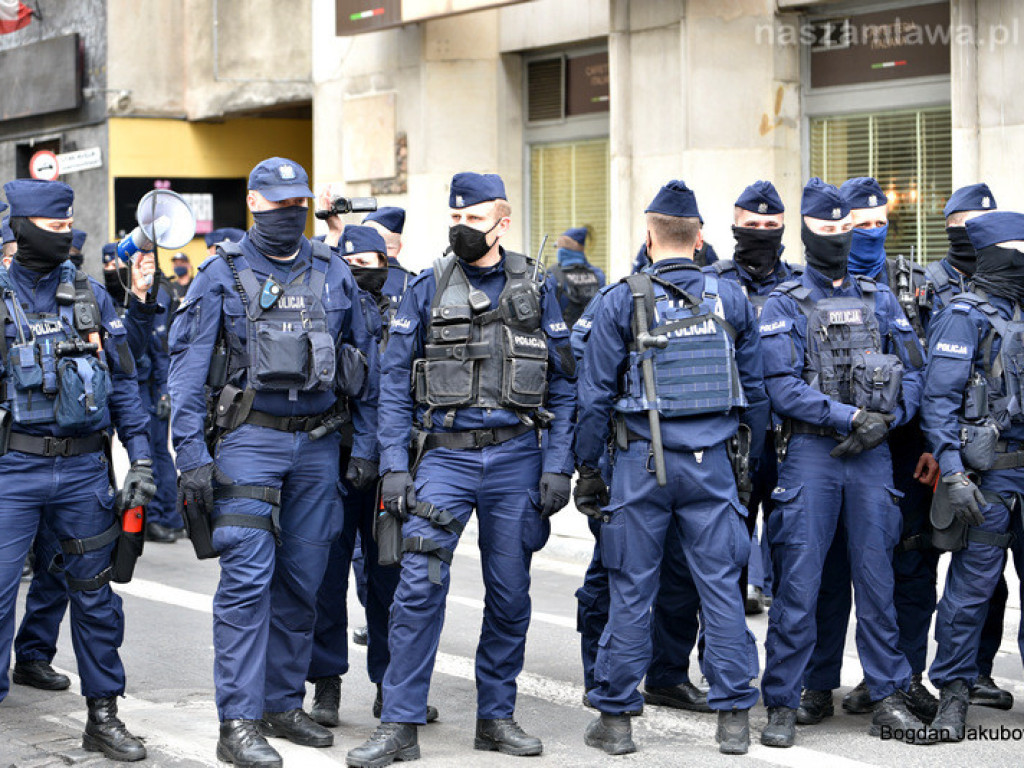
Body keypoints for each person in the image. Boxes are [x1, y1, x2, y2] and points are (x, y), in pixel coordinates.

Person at [347, 172, 576, 766]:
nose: (462, 229)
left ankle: (495, 718)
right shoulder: (425, 286)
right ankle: (399, 723)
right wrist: (395, 465)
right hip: (443, 456)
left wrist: (558, 466)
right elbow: (394, 383)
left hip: (516, 457)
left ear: (502, 222)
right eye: (455, 219)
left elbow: (567, 384)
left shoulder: (537, 284)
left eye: (474, 220)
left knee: (510, 595)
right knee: (418, 589)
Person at [168, 157, 379, 768]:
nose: (289, 214)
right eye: (277, 204)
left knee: (303, 581)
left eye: (298, 205)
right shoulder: (219, 274)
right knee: (245, 581)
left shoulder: (334, 272)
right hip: (248, 441)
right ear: (253, 202)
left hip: (318, 445)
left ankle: (283, 704)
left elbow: (362, 368)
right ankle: (237, 721)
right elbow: (185, 376)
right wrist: (190, 458)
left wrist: (364, 449)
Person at [575, 180, 767, 756]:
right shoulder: (730, 299)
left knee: (633, 590)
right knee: (721, 592)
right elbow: (754, 394)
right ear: (701, 238)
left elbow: (593, 398)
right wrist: (746, 466)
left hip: (641, 463)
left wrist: (588, 468)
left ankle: (616, 722)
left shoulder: (619, 300)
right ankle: (733, 717)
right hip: (714, 465)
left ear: (650, 236)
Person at [758, 177, 932, 747]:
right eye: (826, 231)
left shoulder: (879, 299)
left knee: (877, 581)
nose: (836, 239)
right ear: (806, 233)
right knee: (801, 583)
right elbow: (780, 386)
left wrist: (889, 418)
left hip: (873, 457)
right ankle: (784, 701)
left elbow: (918, 375)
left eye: (844, 230)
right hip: (813, 453)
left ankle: (885, 695)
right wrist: (850, 418)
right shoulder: (785, 302)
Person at [0, 179, 156, 761]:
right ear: (21, 228)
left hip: (85, 471)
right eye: (53, 228)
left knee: (95, 595)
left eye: (69, 228)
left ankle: (104, 716)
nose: (63, 237)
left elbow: (124, 386)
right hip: (12, 467)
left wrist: (140, 459)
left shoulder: (92, 297)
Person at [307, 223, 438, 729]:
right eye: (356, 266)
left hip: (394, 468)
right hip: (334, 466)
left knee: (391, 580)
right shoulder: (324, 305)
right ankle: (326, 685)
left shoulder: (409, 305)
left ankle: (391, 686)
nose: (367, 275)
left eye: (375, 265)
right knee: (325, 580)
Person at [571, 286, 709, 717]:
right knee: (615, 569)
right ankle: (602, 675)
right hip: (628, 452)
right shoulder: (619, 298)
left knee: (681, 571)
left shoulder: (709, 296)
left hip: (691, 452)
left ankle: (667, 675)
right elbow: (583, 364)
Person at [919, 210, 1024, 741]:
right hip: (990, 479)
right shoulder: (963, 315)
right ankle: (954, 695)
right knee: (970, 591)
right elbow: (937, 402)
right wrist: (954, 473)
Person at [706, 180, 801, 615]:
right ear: (734, 226)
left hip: (792, 441)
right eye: (751, 223)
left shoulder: (802, 286)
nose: (761, 231)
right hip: (734, 440)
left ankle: (792, 677)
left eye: (770, 224)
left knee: (795, 560)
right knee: (728, 557)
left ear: (783, 227)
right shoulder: (711, 284)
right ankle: (725, 666)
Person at [548, 227, 606, 327]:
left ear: (562, 250)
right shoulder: (598, 275)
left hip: (563, 338)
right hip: (591, 336)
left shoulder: (553, 275)